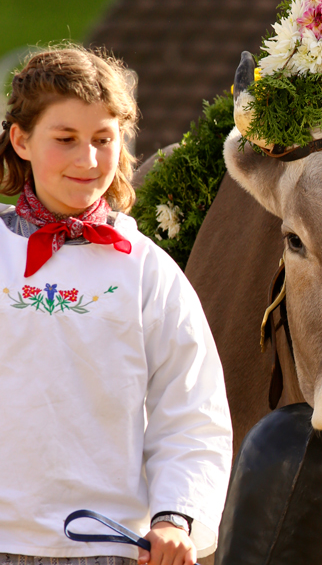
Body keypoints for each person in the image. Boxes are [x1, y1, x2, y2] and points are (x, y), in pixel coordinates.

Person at [0, 46, 232, 565]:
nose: (87, 160)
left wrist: (176, 516)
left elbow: (192, 410)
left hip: (111, 545)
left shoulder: (147, 272)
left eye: (103, 140)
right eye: (65, 140)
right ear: (21, 140)